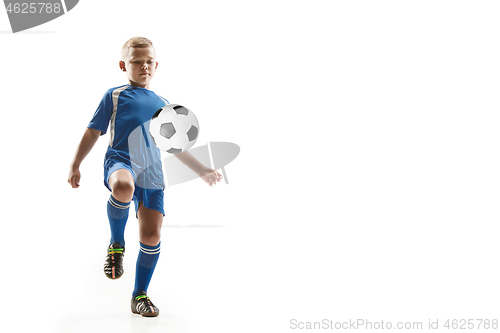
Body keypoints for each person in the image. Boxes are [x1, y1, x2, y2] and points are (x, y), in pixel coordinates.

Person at [67, 36, 222, 317]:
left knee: (151, 236)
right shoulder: (114, 95)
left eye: (149, 61)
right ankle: (116, 244)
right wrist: (76, 164)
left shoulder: (164, 105)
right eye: (137, 62)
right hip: (121, 159)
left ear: (156, 64)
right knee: (123, 187)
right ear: (123, 65)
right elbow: (92, 131)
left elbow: (175, 145)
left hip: (152, 172)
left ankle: (139, 295)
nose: (144, 66)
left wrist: (201, 170)